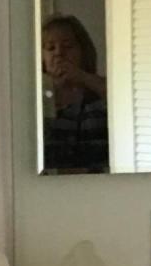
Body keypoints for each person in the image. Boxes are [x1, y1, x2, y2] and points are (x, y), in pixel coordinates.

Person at [41, 14, 108, 173]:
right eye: (50, 48)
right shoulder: (31, 93)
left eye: (68, 46)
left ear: (83, 50)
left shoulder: (99, 87)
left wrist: (81, 76)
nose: (59, 53)